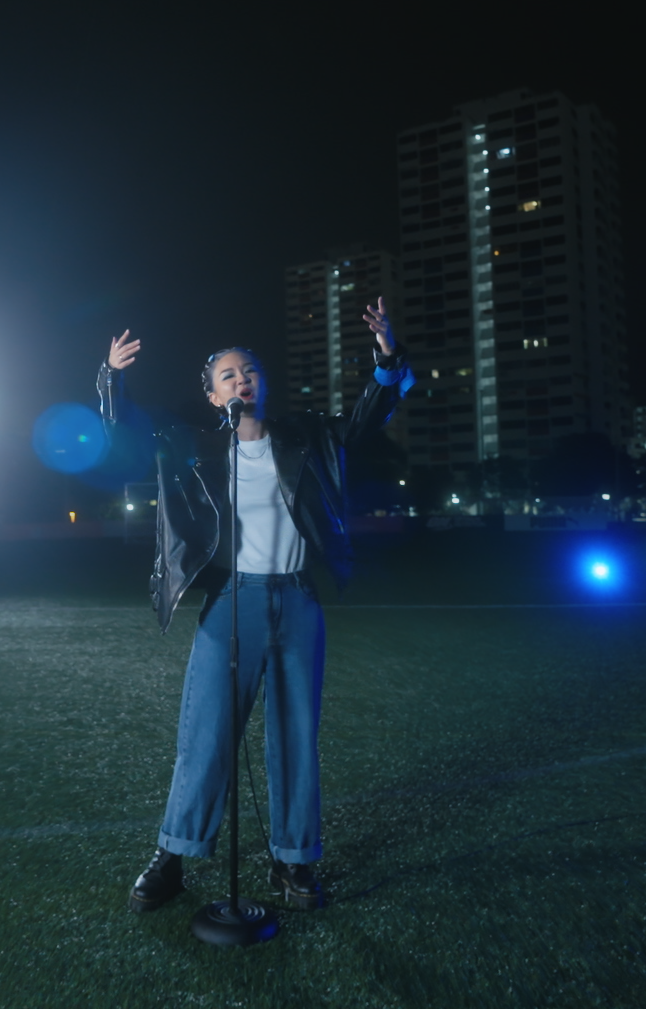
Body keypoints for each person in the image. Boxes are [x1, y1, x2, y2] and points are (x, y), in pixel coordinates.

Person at [99, 298, 412, 913]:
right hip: (231, 601)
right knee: (206, 735)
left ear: (262, 383)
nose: (241, 379)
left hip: (297, 599)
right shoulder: (192, 447)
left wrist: (387, 357)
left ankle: (293, 860)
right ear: (213, 395)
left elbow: (367, 417)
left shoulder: (308, 436)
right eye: (228, 375)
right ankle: (173, 856)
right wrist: (112, 377)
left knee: (296, 736)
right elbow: (125, 434)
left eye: (250, 371)